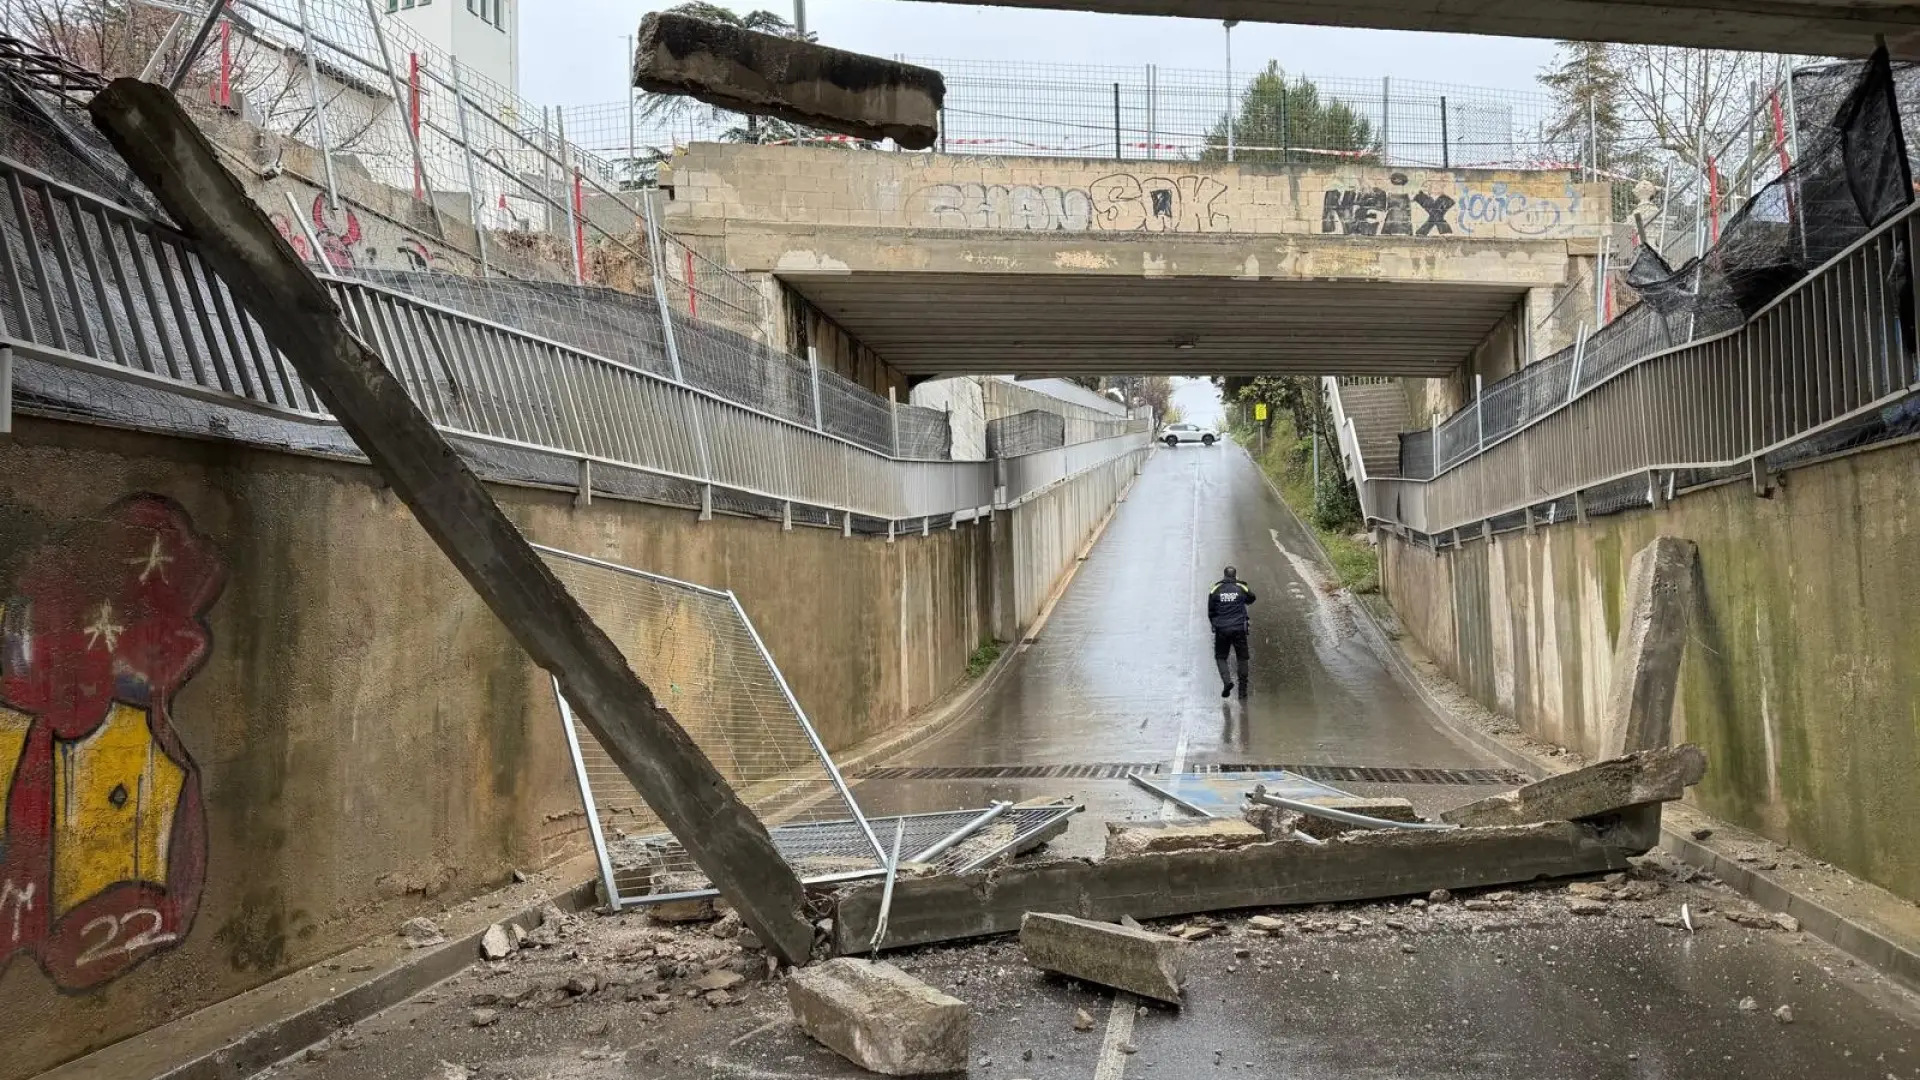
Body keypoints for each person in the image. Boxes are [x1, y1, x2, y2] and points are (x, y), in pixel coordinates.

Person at [1207, 566, 1256, 699]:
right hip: (1239, 629)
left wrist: (1215, 624)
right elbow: (1252, 598)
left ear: (1224, 575)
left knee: (1221, 657)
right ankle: (1242, 692)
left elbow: (1211, 611)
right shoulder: (1240, 587)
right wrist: (1241, 588)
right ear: (1235, 575)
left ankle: (1227, 682)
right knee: (1242, 658)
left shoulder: (1215, 589)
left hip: (1222, 629)